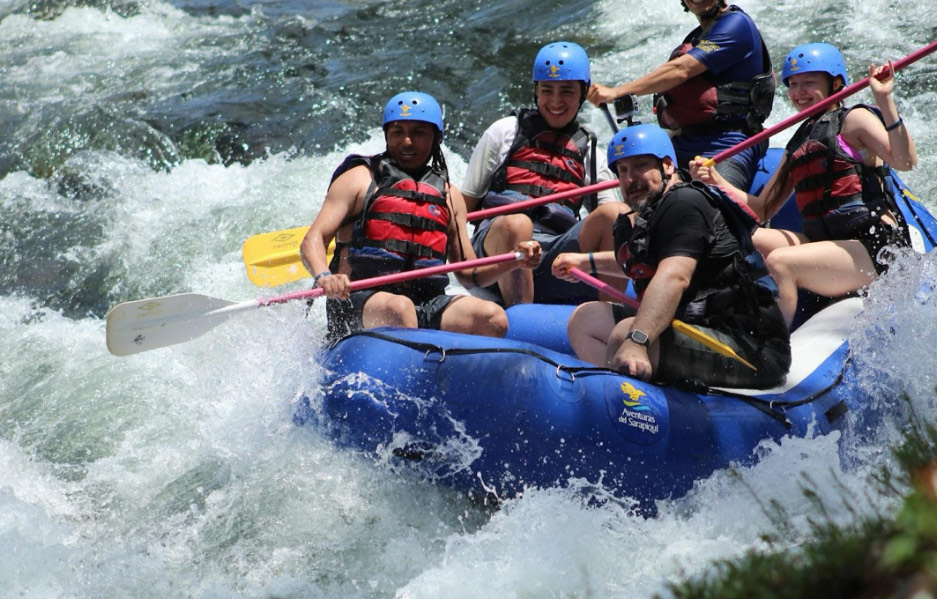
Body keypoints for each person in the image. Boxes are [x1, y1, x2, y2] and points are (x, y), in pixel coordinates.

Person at [691, 43, 917, 327]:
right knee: (738, 237)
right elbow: (762, 210)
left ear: (835, 83)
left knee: (781, 261)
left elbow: (904, 160)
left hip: (872, 248)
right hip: (824, 245)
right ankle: (718, 316)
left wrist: (884, 100)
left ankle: (773, 348)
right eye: (793, 84)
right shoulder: (798, 141)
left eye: (809, 83)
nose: (799, 93)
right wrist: (716, 180)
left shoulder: (854, 120)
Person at [553, 123, 790, 389]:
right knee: (585, 319)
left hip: (751, 348)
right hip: (698, 328)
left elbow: (674, 276)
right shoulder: (655, 211)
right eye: (623, 171)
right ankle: (634, 397)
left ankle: (630, 405)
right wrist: (584, 262)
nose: (630, 180)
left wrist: (637, 341)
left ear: (667, 165)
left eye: (640, 166)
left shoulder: (685, 204)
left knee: (624, 334)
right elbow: (644, 266)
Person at [300, 91, 541, 340]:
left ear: (436, 138)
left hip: (427, 302)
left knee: (492, 317)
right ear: (386, 135)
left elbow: (469, 274)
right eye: (397, 132)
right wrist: (324, 276)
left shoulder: (449, 195)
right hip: (358, 300)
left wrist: (514, 260)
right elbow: (313, 239)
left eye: (418, 133)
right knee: (400, 310)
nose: (406, 142)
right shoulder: (358, 179)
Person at [461, 41, 625, 306]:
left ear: (582, 93)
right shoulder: (504, 132)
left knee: (616, 214)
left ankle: (610, 318)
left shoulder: (590, 149)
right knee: (518, 224)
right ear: (536, 91)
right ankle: (523, 317)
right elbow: (463, 208)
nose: (556, 101)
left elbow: (613, 222)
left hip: (555, 256)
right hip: (499, 251)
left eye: (567, 92)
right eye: (547, 90)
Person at [588, 0, 775, 193]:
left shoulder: (736, 25)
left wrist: (617, 92)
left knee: (713, 210)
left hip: (730, 143)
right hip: (684, 145)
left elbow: (681, 69)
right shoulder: (696, 37)